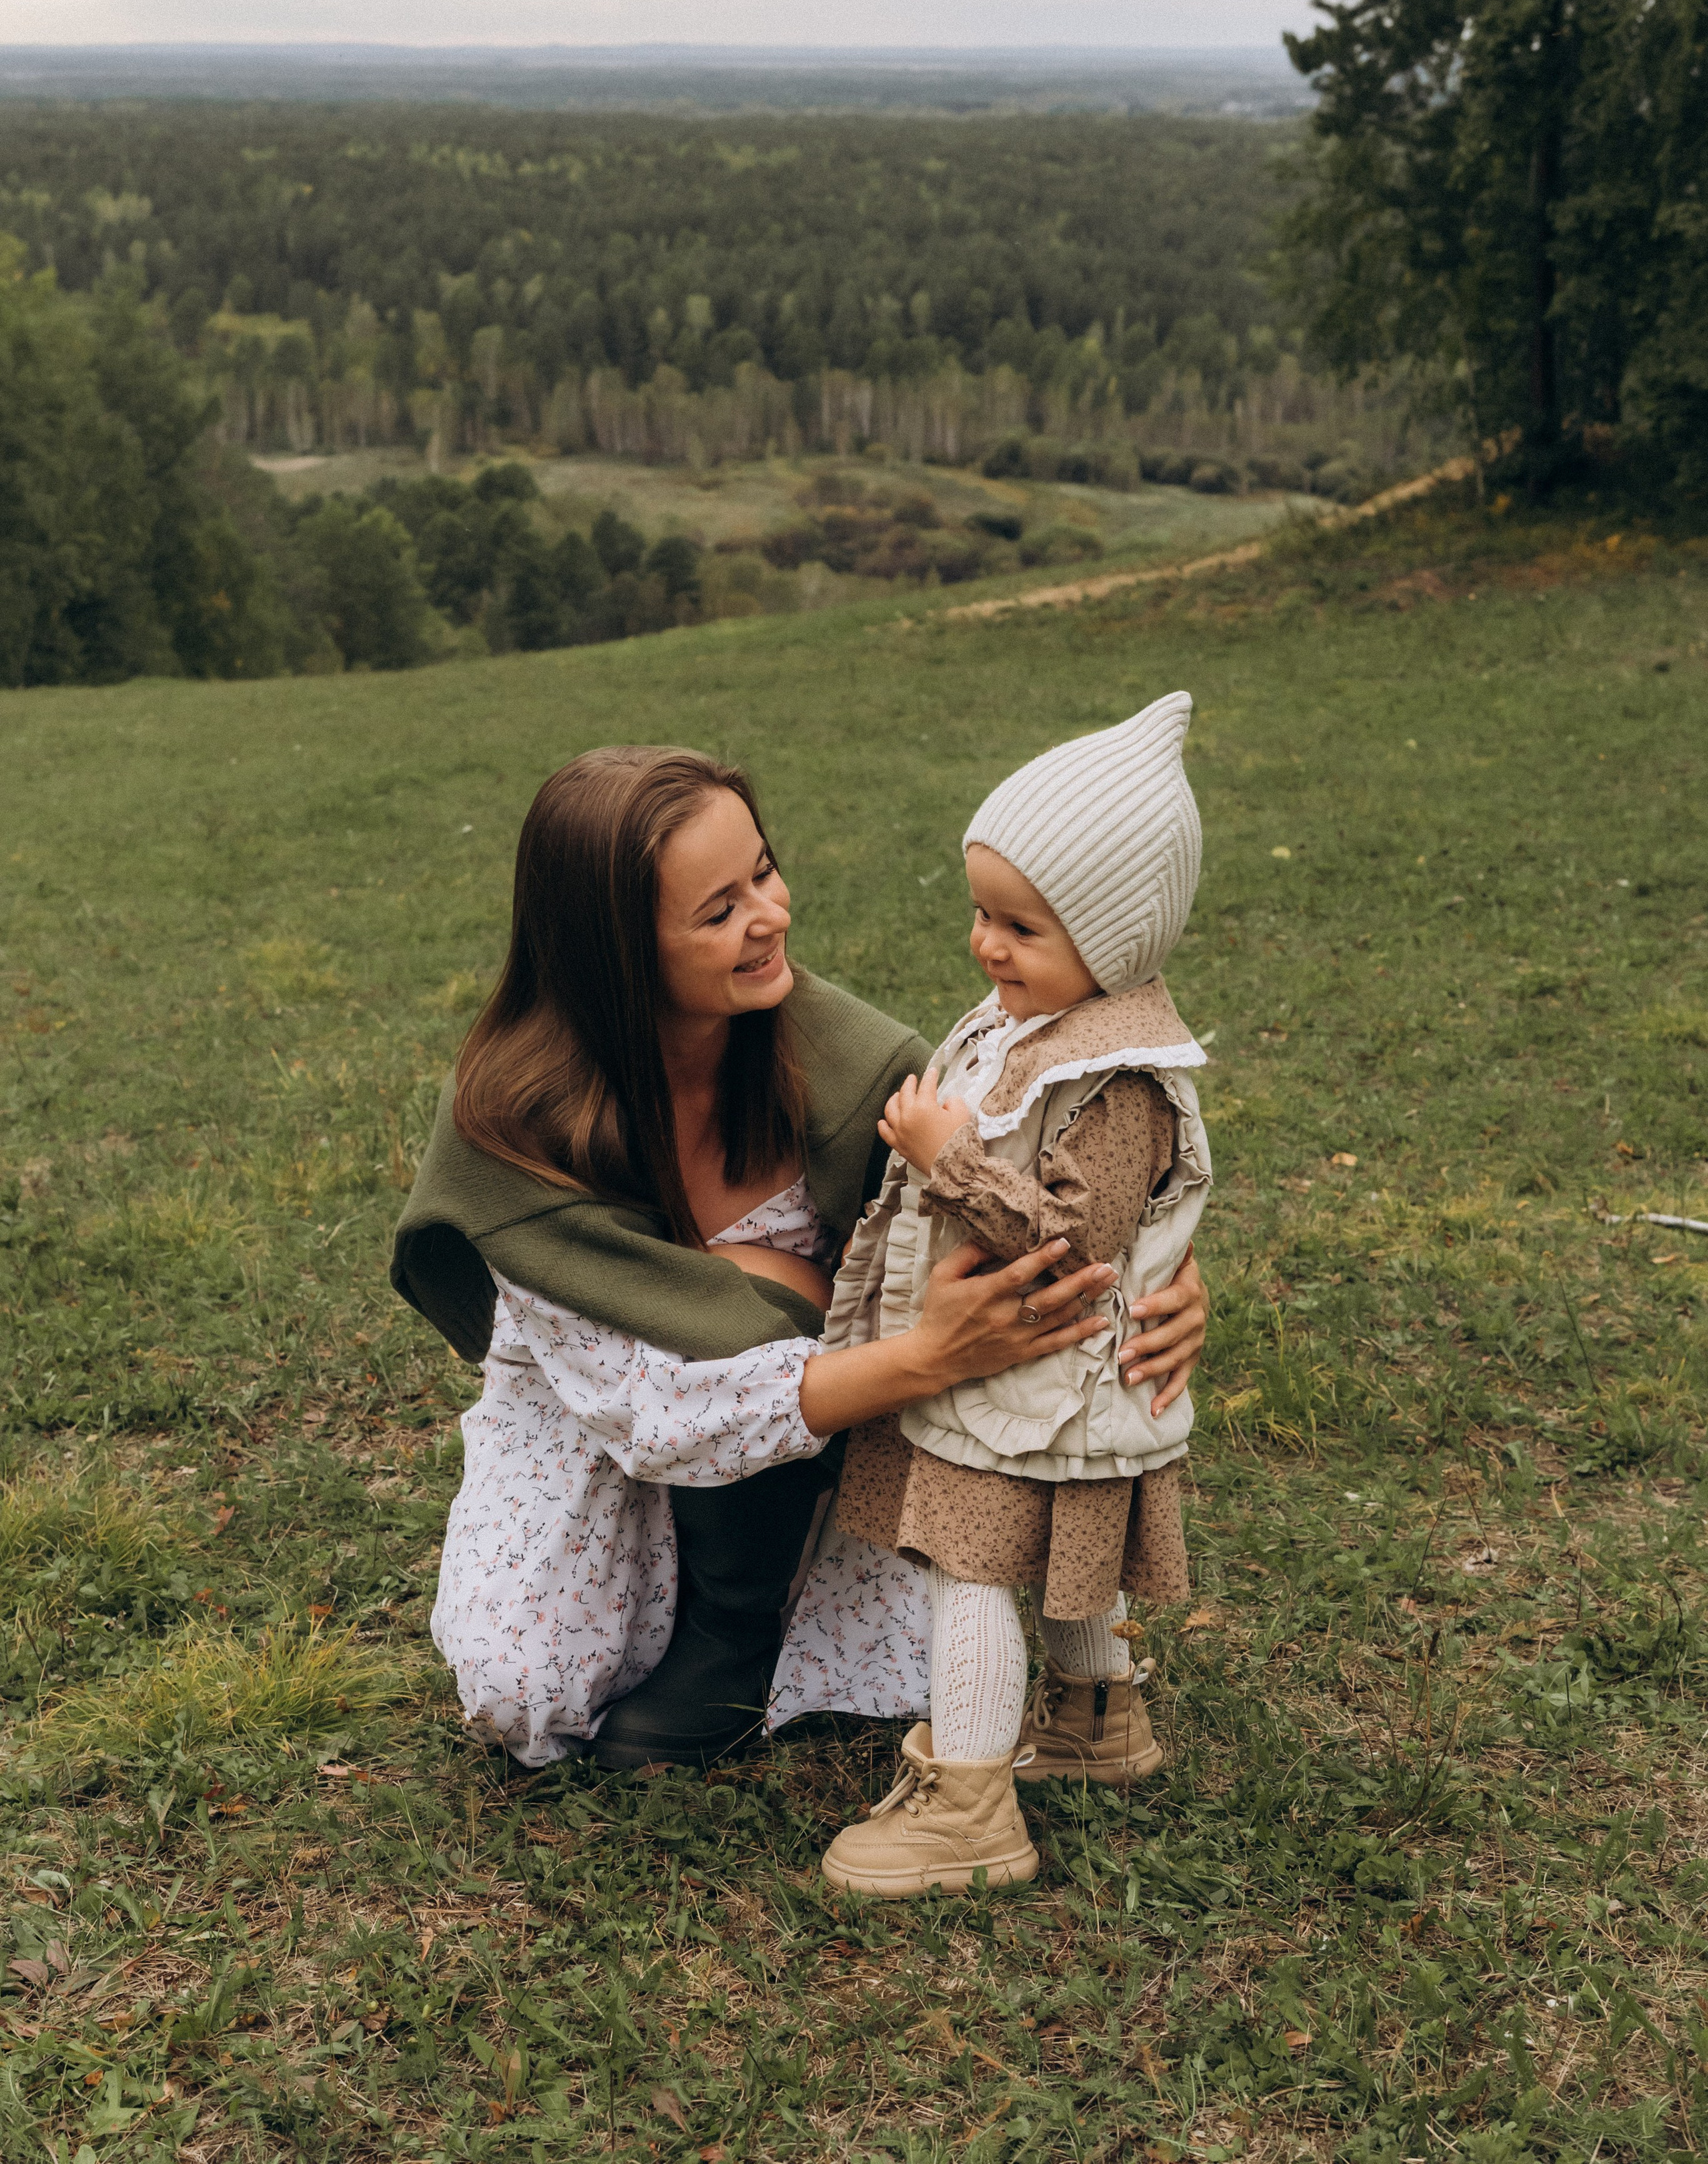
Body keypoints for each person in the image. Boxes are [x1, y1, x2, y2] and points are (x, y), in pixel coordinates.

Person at [391, 742, 1211, 1772]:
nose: (771, 918)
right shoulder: (514, 1128)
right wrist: (921, 1358)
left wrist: (1163, 1288)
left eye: (764, 874)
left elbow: (1058, 1198)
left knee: (924, 1633)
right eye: (717, 911)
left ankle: (737, 1635)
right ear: (613, 949)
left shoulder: (854, 1064)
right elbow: (659, 1413)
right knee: (527, 1689)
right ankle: (708, 1602)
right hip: (609, 1420)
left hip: (827, 1420)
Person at [815, 693, 1210, 1896]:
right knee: (1061, 1552)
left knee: (974, 1569)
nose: (988, 946)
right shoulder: (1038, 1019)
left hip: (1037, 1391)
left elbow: (1071, 1244)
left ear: (1116, 940)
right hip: (1032, 1391)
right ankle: (1101, 1722)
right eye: (982, 913)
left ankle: (969, 1807)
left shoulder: (1120, 1078)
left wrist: (947, 1158)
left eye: (1022, 927)